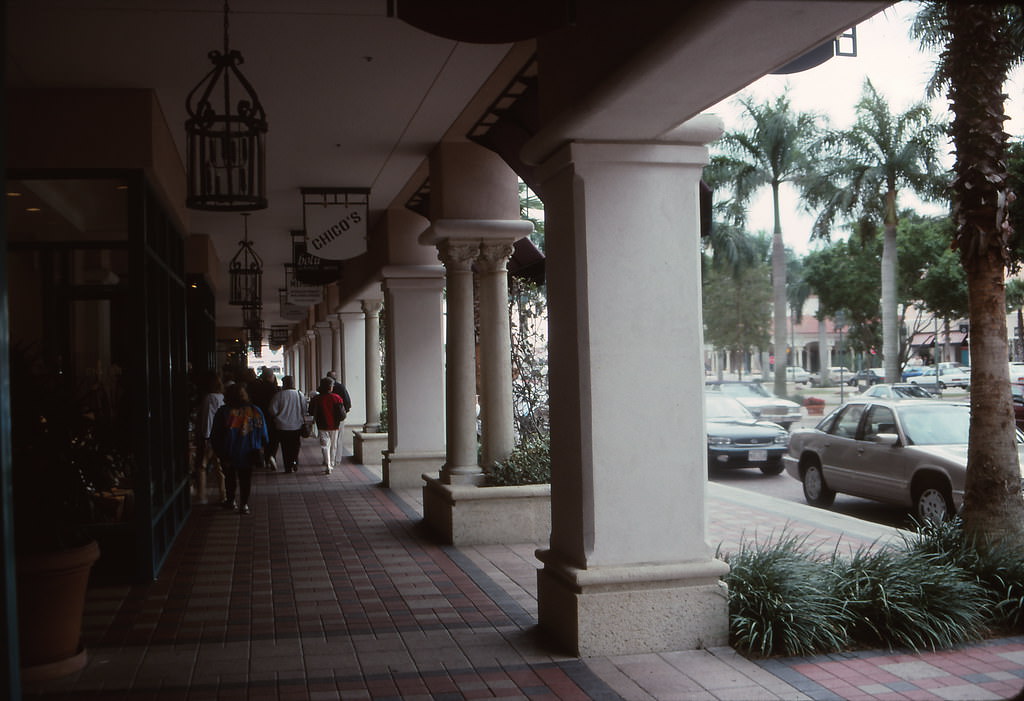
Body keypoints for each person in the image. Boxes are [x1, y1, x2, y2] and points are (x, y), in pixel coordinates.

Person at [210, 383, 269, 515]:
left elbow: (216, 434)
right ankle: (244, 504)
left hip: (229, 451)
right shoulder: (255, 411)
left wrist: (218, 451)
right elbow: (263, 432)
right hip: (249, 451)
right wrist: (263, 448)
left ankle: (231, 500)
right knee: (245, 479)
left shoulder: (223, 412)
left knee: (229, 478)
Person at [194, 370, 225, 504]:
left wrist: (206, 437)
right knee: (219, 467)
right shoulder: (221, 397)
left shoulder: (208, 398)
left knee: (202, 465)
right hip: (220, 436)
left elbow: (208, 418)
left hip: (210, 437)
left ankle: (202, 496)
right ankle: (223, 494)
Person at [268, 375, 307, 473]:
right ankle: (294, 461)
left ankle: (287, 467)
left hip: (282, 426)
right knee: (295, 445)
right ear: (293, 383)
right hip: (297, 425)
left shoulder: (279, 395)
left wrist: (279, 416)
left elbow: (272, 410)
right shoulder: (300, 394)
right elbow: (304, 409)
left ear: (284, 384)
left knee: (285, 447)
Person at [310, 377, 346, 474]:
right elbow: (342, 413)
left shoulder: (317, 398)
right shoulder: (337, 398)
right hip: (334, 425)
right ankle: (332, 462)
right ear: (330, 387)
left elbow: (310, 411)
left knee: (324, 445)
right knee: (333, 445)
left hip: (321, 425)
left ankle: (327, 464)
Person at [248, 368, 280, 470]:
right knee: (273, 438)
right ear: (271, 377)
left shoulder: (256, 386)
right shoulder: (273, 388)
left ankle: (260, 458)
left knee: (260, 436)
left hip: (257, 415)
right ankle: (270, 456)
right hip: (270, 417)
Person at [325, 370, 353, 466]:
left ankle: (327, 459)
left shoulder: (322, 389)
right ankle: (337, 459)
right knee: (338, 439)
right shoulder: (341, 387)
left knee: (326, 439)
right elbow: (348, 402)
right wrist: (343, 413)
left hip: (325, 417)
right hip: (338, 418)